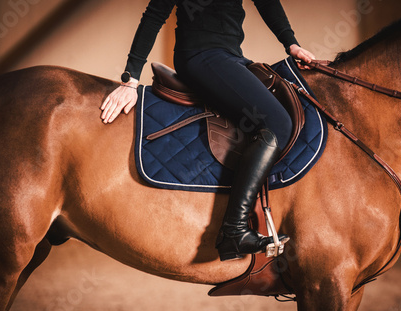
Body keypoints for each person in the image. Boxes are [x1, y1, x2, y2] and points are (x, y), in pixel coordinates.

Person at [100, 0, 315, 261]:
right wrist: (131, 79)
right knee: (278, 123)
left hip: (233, 56)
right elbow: (155, 14)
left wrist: (290, 43)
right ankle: (234, 231)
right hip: (201, 55)